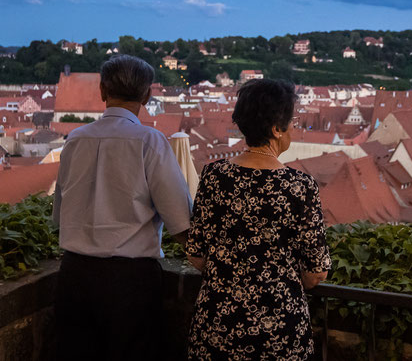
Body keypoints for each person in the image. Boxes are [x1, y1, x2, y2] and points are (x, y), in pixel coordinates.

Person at [53, 55, 193, 361]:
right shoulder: (150, 141)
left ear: (102, 91)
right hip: (130, 281)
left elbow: (59, 212)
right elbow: (180, 220)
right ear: (147, 95)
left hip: (74, 275)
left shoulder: (75, 140)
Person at [185, 79, 331, 360]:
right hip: (278, 333)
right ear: (277, 129)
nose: (294, 128)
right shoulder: (300, 187)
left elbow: (195, 254)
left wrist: (231, 281)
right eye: (293, 122)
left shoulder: (214, 175)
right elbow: (316, 273)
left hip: (217, 327)